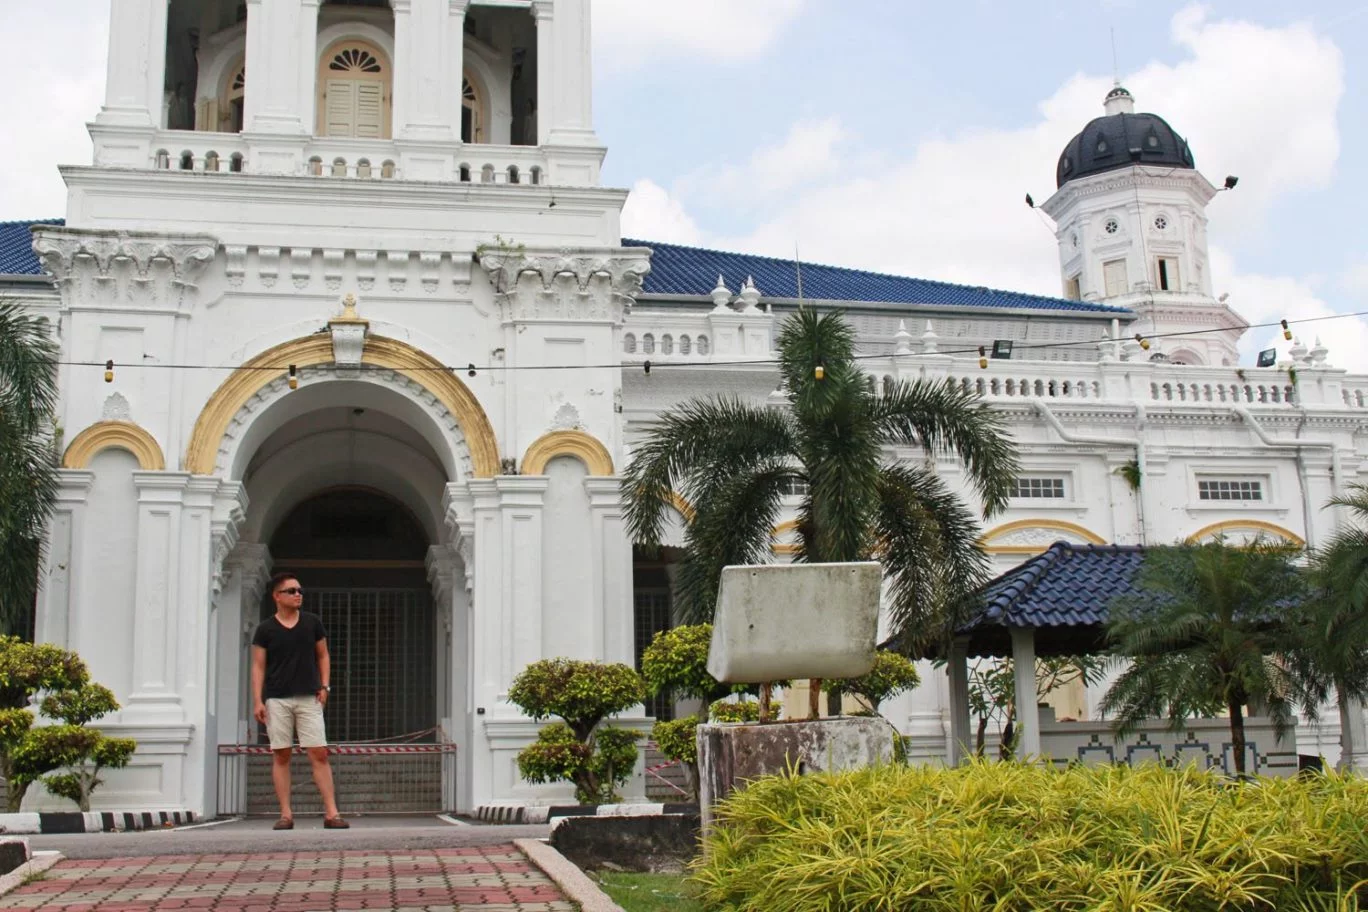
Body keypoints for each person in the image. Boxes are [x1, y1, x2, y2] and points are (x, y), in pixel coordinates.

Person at [251, 572, 349, 830]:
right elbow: (258, 666)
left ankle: (332, 813)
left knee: (319, 752)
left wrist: (325, 685)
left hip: (309, 696)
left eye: (300, 591)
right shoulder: (265, 629)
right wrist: (258, 700)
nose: (298, 595)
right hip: (277, 698)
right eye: (292, 591)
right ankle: (286, 814)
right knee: (281, 754)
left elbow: (323, 655)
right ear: (277, 596)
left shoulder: (312, 623)